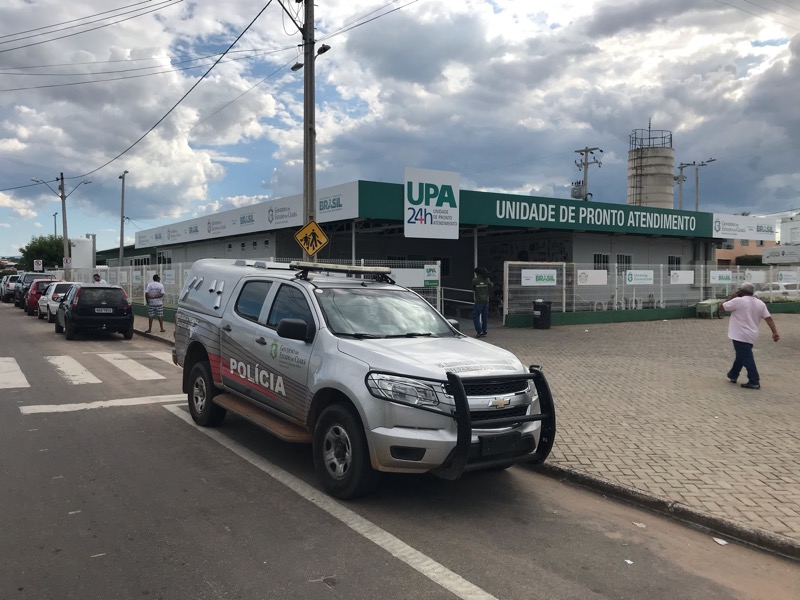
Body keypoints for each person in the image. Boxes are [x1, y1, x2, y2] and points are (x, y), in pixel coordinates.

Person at [721, 282, 779, 390]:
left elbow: (722, 308)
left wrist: (732, 297)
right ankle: (732, 375)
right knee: (741, 356)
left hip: (739, 335)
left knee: (746, 357)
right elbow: (768, 318)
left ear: (740, 291)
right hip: (752, 334)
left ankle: (754, 381)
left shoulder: (738, 301)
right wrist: (774, 332)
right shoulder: (760, 303)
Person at [471, 267, 492, 337]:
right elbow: (491, 286)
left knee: (475, 316)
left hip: (479, 301)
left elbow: (473, 289)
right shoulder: (487, 280)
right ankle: (484, 331)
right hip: (486, 301)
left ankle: (479, 331)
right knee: (484, 317)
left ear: (477, 273)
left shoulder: (475, 280)